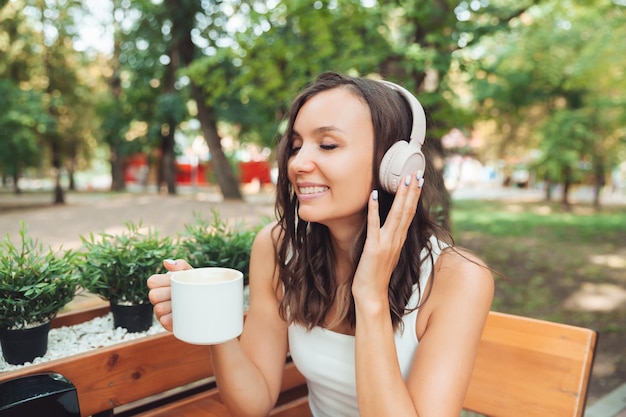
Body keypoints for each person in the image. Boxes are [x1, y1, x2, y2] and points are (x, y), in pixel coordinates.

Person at [148, 71, 494, 417]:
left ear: (397, 166)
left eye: (328, 145)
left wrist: (370, 295)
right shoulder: (277, 247)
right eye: (296, 146)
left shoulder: (458, 279)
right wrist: (214, 318)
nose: (298, 163)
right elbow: (252, 403)